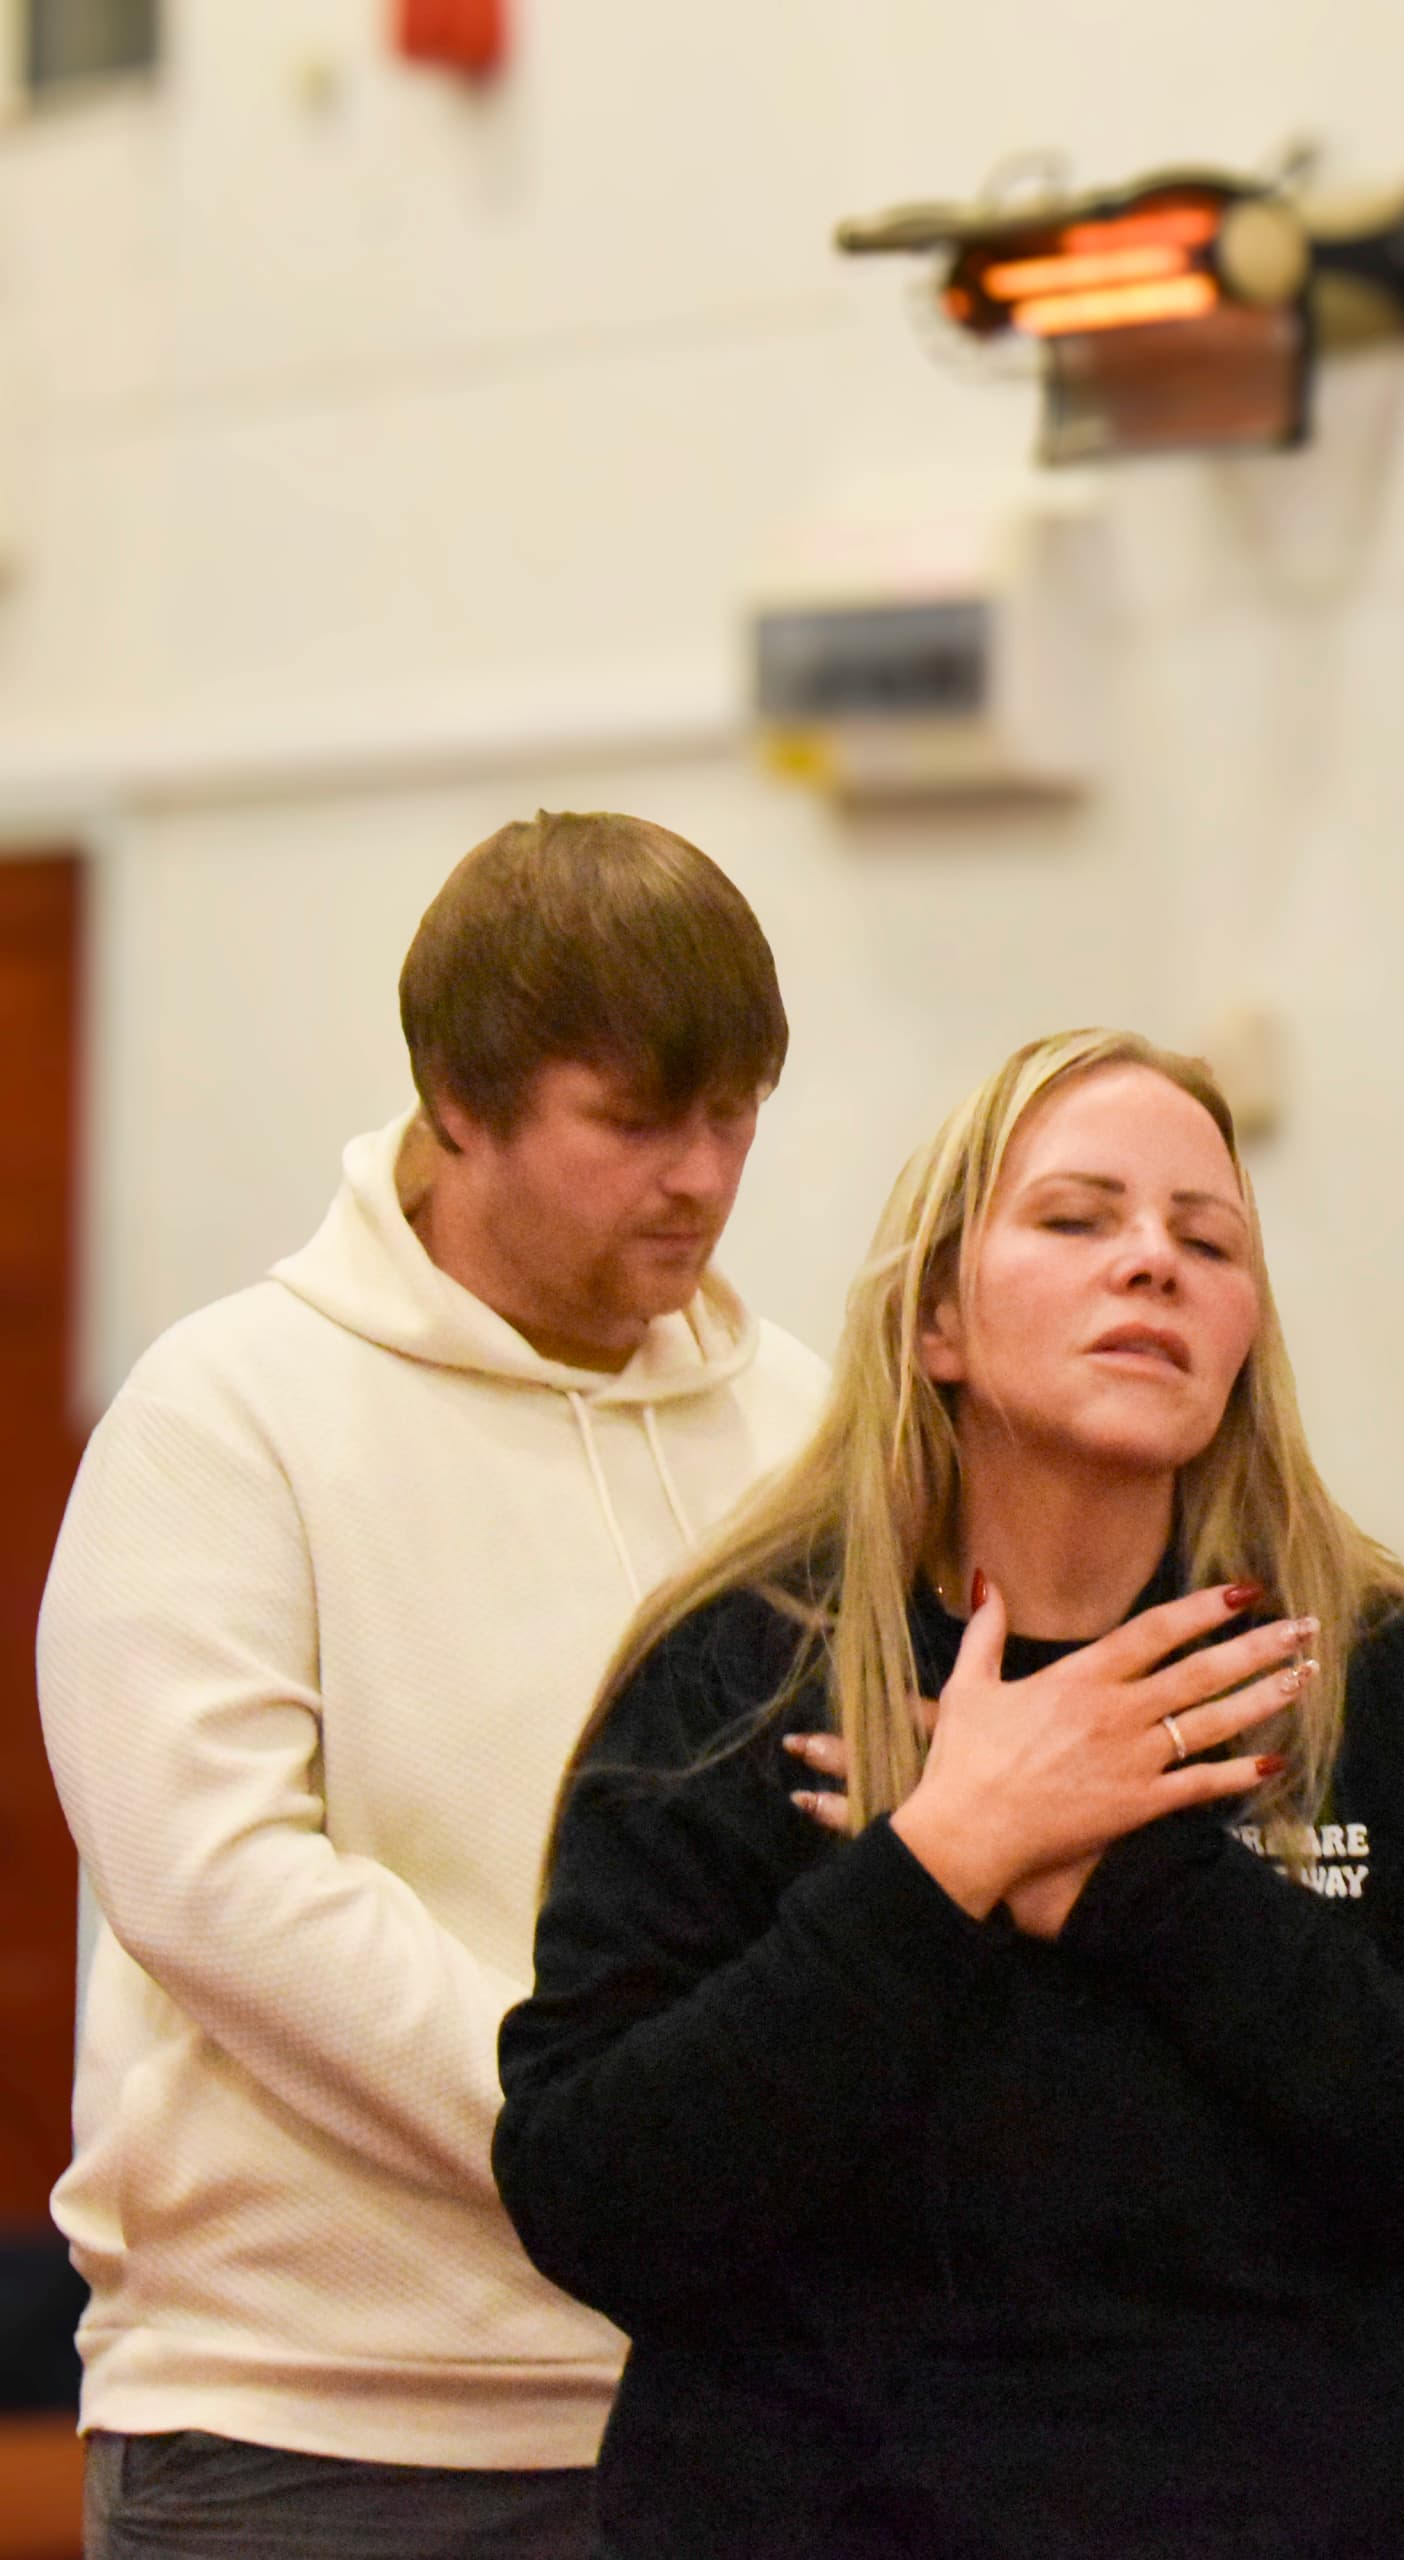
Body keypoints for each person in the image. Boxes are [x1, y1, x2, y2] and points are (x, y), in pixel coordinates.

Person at [492, 1028, 1404, 2560]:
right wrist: (945, 1859)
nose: (1151, 1263)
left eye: (1204, 1238)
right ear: (939, 1319)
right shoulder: (746, 1668)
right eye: (1077, 1219)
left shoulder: (1372, 1672)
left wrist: (1139, 1884)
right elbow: (594, 2200)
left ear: (1243, 1332)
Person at [37, 813, 820, 2557]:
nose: (700, 1175)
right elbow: (219, 1889)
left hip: (726, 2409)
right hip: (307, 2431)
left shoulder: (808, 1431)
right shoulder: (227, 1412)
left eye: (737, 1115)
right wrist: (616, 2140)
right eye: (634, 1124)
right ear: (457, 1108)